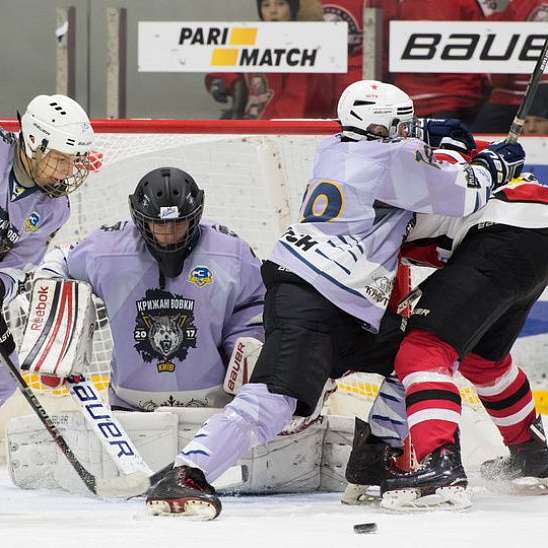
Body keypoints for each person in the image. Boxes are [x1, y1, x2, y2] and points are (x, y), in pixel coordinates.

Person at [143, 80, 525, 519]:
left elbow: (402, 154)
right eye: (399, 125)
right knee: (274, 400)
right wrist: (496, 162)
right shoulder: (390, 160)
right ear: (380, 130)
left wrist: (431, 132)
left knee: (418, 355)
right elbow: (461, 194)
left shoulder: (336, 148)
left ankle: (375, 460)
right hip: (316, 297)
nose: (407, 131)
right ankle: (188, 472)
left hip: (339, 301)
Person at [345, 164, 548, 511]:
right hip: (533, 234)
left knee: (422, 350)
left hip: (499, 234)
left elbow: (394, 329)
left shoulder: (365, 214)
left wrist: (378, 442)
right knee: (484, 361)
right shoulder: (403, 170)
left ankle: (435, 462)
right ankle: (532, 454)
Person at [36, 167, 265, 412]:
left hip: (212, 404)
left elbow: (255, 305)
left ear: (195, 216)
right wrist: (55, 321)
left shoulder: (230, 252)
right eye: (159, 225)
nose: (168, 235)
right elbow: (61, 258)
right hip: (130, 403)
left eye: (178, 224)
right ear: (141, 219)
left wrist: (246, 347)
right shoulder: (108, 250)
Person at [0, 94, 95, 409]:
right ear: (33, 141)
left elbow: (20, 265)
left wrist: (1, 286)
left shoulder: (53, 208)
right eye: (60, 158)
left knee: (4, 374)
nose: (67, 170)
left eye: (73, 160)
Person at [205, 0, 337, 119]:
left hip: (285, 127)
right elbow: (227, 64)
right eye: (266, 5)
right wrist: (218, 81)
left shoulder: (307, 45)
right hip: (249, 122)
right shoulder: (250, 36)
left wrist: (276, 128)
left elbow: (297, 99)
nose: (273, 11)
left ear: (292, 8)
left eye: (280, 4)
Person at [393, 0, 491, 126]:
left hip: (413, 99)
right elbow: (484, 51)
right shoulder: (465, 3)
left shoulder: (404, 4)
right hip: (455, 97)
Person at [472, 0, 548, 133]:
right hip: (507, 94)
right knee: (475, 140)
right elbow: (497, 45)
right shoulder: (515, 6)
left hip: (537, 91)